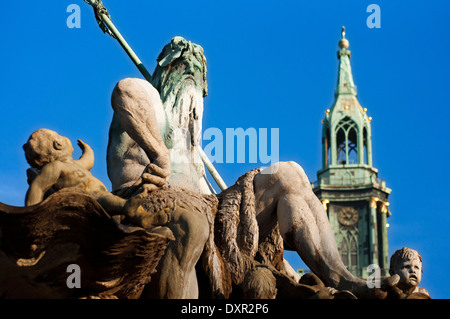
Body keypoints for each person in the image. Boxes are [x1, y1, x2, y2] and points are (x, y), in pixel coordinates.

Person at [107, 36, 370, 298]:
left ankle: (339, 276)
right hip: (151, 208)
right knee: (192, 223)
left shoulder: (193, 153)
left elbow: (218, 205)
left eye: (197, 74)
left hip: (208, 215)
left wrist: (275, 252)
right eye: (180, 64)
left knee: (288, 173)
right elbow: (126, 90)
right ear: (163, 74)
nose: (190, 72)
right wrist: (159, 154)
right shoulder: (153, 111)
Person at [23, 128, 169, 229]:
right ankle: (129, 209)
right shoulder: (56, 167)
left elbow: (88, 161)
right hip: (89, 200)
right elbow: (38, 187)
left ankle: (143, 217)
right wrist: (31, 215)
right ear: (58, 144)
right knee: (113, 201)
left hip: (101, 196)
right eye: (60, 136)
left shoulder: (76, 165)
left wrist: (88, 150)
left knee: (114, 201)